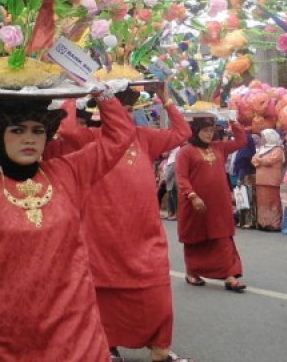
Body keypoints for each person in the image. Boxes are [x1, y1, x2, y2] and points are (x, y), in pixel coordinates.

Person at [0, 70, 135, 361]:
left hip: (71, 322)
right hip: (0, 329)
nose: (29, 139)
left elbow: (120, 137)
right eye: (17, 130)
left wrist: (102, 94)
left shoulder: (69, 173)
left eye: (37, 131)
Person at [54, 86, 192, 362]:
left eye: (129, 110)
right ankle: (108, 345)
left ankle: (160, 348)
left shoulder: (144, 138)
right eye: (118, 109)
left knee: (157, 291)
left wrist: (164, 98)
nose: (124, 114)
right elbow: (67, 129)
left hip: (145, 231)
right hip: (103, 230)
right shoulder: (90, 138)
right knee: (105, 292)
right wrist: (74, 90)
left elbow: (183, 133)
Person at [177, 116, 248, 291]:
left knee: (222, 237)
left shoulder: (219, 147)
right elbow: (182, 178)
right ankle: (192, 272)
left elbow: (241, 141)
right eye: (205, 131)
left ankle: (230, 275)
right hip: (195, 203)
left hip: (219, 203)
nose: (209, 135)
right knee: (196, 238)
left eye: (211, 131)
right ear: (196, 132)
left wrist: (234, 122)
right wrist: (193, 196)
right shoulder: (186, 152)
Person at [251, 128, 285, 231]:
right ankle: (263, 223)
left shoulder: (278, 149)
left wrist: (259, 160)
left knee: (273, 202)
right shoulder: (262, 148)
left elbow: (271, 160)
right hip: (261, 179)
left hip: (272, 180)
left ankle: (274, 224)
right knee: (262, 202)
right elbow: (253, 160)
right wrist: (261, 161)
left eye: (265, 136)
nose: (263, 139)